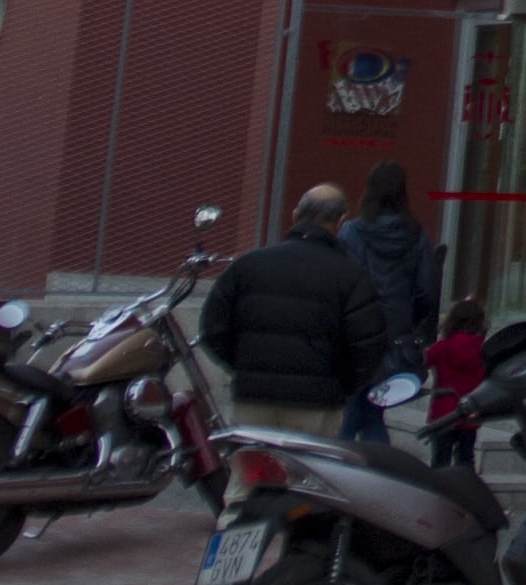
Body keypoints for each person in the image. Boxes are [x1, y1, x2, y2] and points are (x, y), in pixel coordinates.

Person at [202, 183, 387, 440]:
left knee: (248, 471)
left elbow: (213, 328)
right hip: (317, 402)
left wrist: (246, 367)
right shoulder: (351, 276)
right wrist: (340, 385)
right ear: (342, 221)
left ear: (295, 214)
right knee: (308, 476)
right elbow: (368, 345)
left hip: (254, 396)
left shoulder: (247, 266)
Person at [337, 160, 440, 446]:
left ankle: (339, 468)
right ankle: (378, 472)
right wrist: (414, 325)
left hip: (357, 328)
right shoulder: (414, 234)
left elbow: (342, 281)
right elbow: (427, 288)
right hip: (395, 331)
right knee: (373, 410)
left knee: (354, 408)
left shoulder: (352, 232)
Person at [421, 296, 489, 472]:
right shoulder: (483, 349)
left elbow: (423, 362)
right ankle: (466, 494)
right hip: (471, 410)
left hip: (443, 412)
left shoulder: (442, 346)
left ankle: (440, 495)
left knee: (440, 460)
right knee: (466, 458)